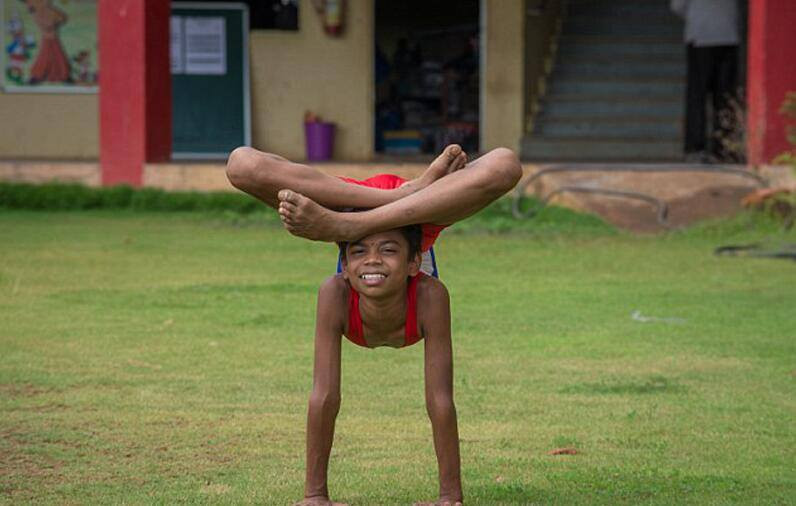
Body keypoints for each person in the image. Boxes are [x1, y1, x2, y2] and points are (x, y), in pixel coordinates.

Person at [225, 144, 522, 506]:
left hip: (397, 215)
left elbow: (440, 398)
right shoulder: (336, 293)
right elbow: (324, 395)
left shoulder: (429, 296)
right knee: (241, 164)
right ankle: (401, 195)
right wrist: (314, 496)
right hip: (390, 201)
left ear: (415, 263)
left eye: (388, 253)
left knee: (505, 164)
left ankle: (358, 225)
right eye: (358, 252)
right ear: (346, 266)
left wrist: (450, 498)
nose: (372, 261)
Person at [670, 0, 740, 163]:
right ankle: (725, 148)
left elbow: (677, 6)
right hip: (728, 36)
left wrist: (697, 15)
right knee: (725, 98)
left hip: (700, 36)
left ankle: (695, 148)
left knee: (697, 97)